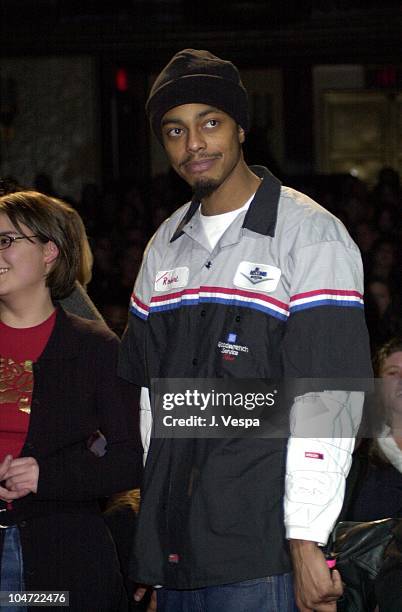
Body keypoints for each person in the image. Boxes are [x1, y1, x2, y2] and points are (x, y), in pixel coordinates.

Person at [119, 49, 372, 612]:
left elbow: (328, 398)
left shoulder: (311, 234)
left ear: (241, 128)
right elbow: (150, 408)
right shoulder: (164, 243)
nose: (194, 145)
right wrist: (155, 545)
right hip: (176, 549)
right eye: (174, 131)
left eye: (209, 123)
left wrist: (307, 540)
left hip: (263, 555)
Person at [0, 190, 142, 611]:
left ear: (49, 251)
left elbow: (130, 455)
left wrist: (47, 474)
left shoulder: (93, 347)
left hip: (57, 554)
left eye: (6, 240)